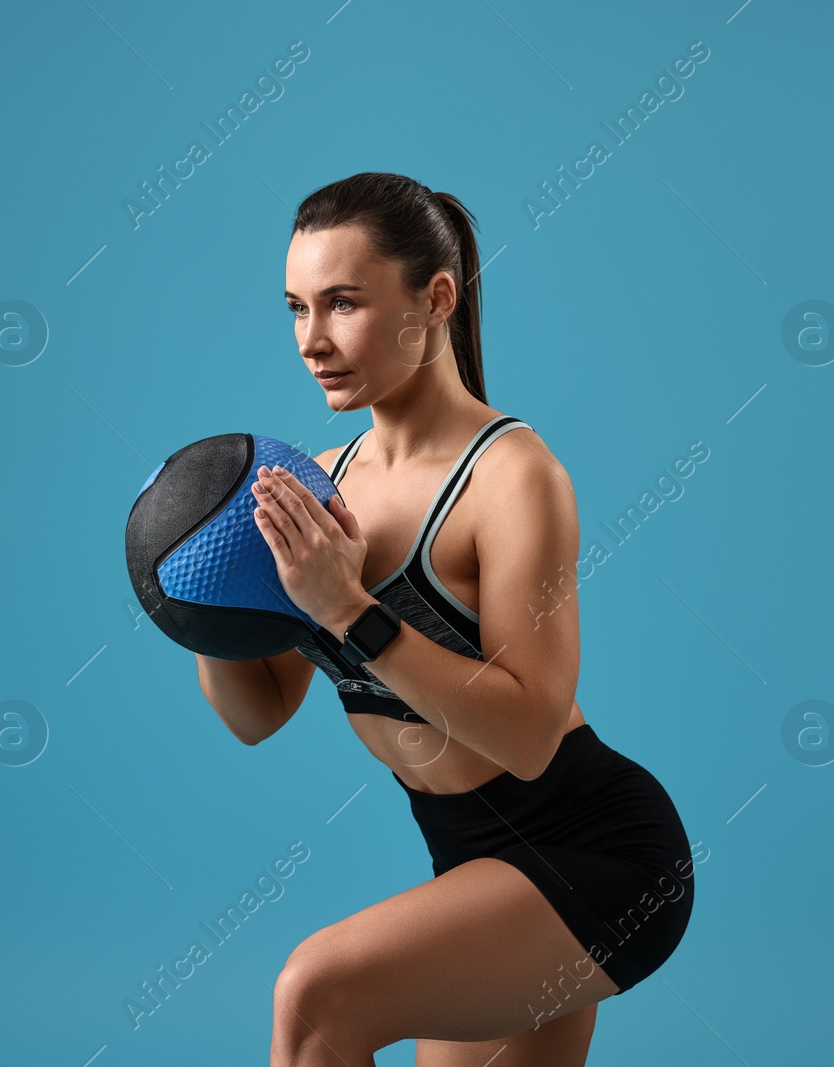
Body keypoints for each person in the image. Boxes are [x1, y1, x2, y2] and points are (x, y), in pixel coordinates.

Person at [193, 173, 696, 1067]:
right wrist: (199, 596)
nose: (312, 339)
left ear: (435, 298)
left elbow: (533, 733)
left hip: (602, 857)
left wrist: (348, 606)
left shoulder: (511, 477)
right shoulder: (320, 482)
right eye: (297, 307)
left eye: (343, 303)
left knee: (314, 998)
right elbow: (258, 714)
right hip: (473, 872)